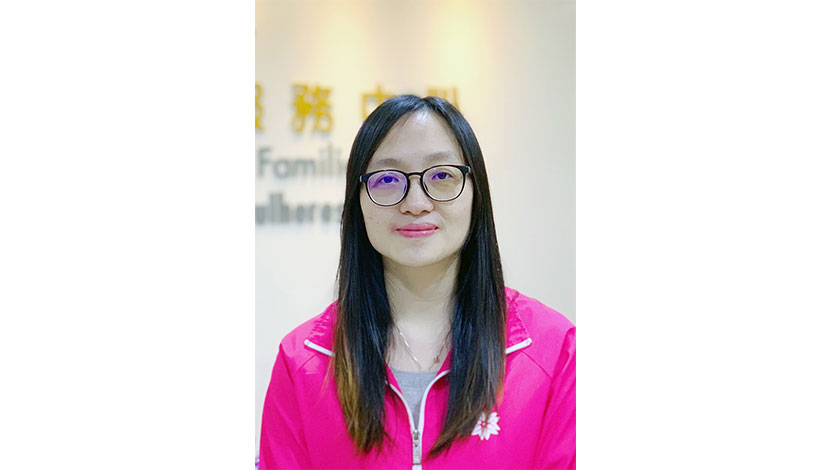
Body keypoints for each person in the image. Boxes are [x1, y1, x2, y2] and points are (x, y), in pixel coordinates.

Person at [259, 95, 575, 469]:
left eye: (441, 176)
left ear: (476, 192)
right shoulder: (303, 362)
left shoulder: (553, 351)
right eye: (387, 179)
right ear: (357, 202)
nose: (416, 202)